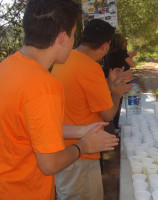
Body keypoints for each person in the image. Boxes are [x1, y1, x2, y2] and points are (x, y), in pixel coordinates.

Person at [0, 1, 119, 200]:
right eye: (73, 35)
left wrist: (80, 130)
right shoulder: (43, 85)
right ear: (63, 37)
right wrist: (85, 145)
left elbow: (28, 127)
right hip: (26, 192)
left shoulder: (7, 67)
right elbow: (50, 164)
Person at [52, 19, 132, 200]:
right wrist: (118, 93)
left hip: (61, 149)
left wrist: (108, 85)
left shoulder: (62, 60)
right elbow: (108, 114)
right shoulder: (91, 67)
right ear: (105, 46)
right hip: (81, 154)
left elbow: (78, 92)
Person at [102, 32, 137, 129]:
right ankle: (120, 124)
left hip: (111, 81)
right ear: (121, 42)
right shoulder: (121, 52)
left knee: (115, 102)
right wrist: (130, 57)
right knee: (124, 102)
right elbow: (132, 64)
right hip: (123, 80)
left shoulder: (107, 52)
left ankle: (115, 124)